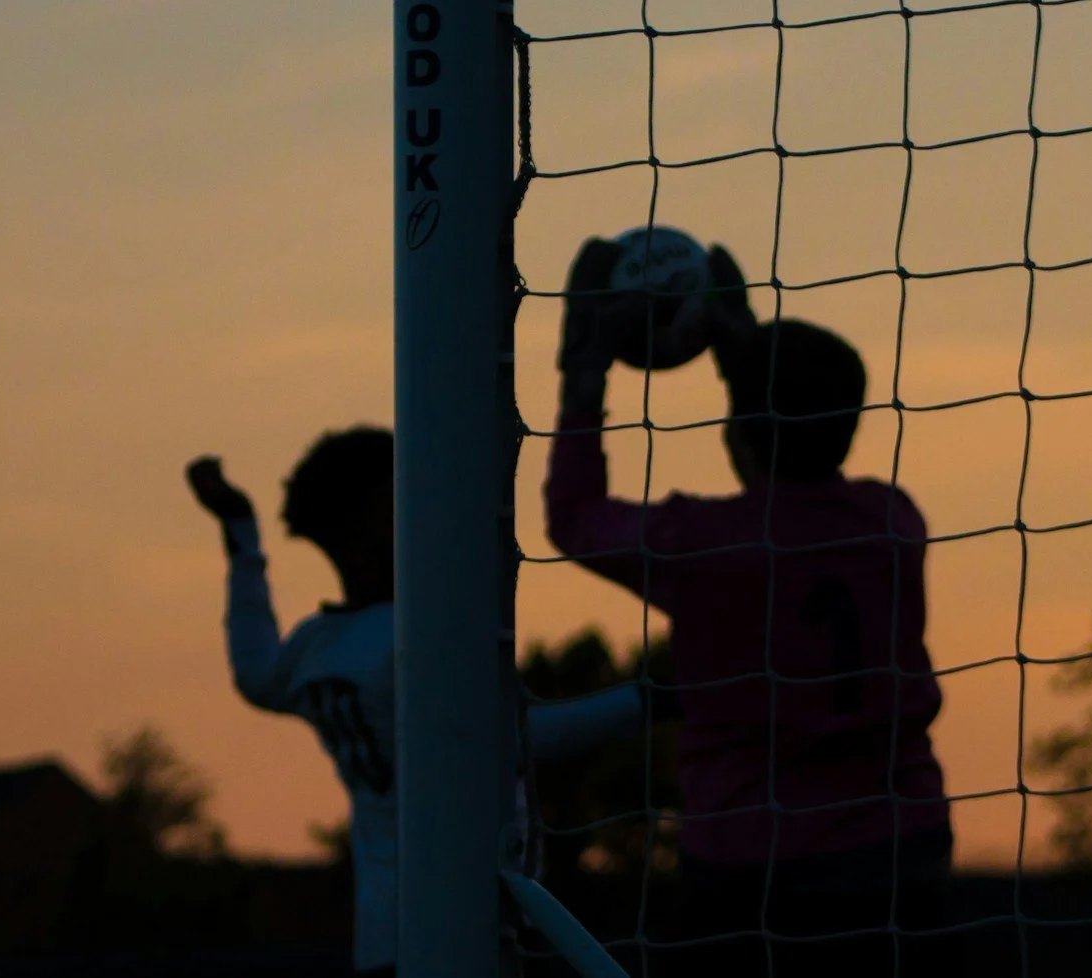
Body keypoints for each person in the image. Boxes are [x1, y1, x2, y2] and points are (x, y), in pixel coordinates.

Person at [545, 239, 953, 976]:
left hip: (754, 865)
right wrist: (744, 350)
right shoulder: (894, 523)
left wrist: (584, 372)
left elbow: (574, 518)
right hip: (903, 852)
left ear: (737, 427)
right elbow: (779, 439)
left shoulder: (703, 547)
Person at [187, 426, 634, 978]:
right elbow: (510, 742)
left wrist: (241, 532)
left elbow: (253, 669)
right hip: (473, 925)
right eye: (405, 499)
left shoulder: (315, 649)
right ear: (372, 523)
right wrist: (651, 698)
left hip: (383, 939)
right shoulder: (412, 643)